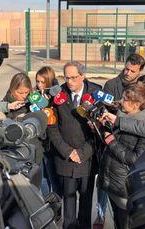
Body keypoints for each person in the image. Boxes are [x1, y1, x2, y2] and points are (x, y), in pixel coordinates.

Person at [47, 61, 101, 229]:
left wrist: (83, 153)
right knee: (68, 210)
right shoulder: (58, 95)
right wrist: (68, 151)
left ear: (82, 76)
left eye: (73, 78)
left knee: (85, 205)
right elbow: (52, 128)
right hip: (66, 159)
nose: (69, 82)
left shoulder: (96, 92)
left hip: (87, 160)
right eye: (66, 77)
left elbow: (101, 129)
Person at [98, 84, 145, 229]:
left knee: (126, 223)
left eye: (125, 99)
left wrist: (111, 142)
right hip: (111, 180)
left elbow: (135, 158)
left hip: (124, 186)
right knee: (118, 221)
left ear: (136, 104)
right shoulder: (123, 117)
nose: (121, 101)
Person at [35, 66, 62, 197]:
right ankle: (46, 203)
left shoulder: (57, 96)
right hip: (40, 142)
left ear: (49, 81)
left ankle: (57, 205)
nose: (39, 85)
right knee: (43, 177)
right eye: (37, 81)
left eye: (42, 82)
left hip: (53, 143)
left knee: (53, 176)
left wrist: (47, 105)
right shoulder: (35, 96)